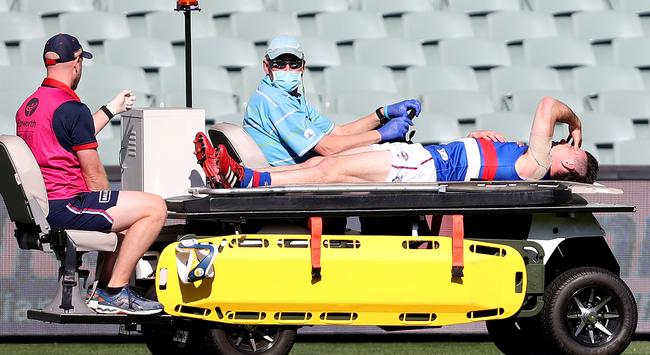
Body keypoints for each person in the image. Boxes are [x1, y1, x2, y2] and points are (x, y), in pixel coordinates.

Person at [15, 33, 166, 315]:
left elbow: (67, 134)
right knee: (154, 209)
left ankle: (100, 290)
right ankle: (114, 292)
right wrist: (109, 202)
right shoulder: (72, 108)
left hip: (42, 205)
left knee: (125, 216)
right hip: (66, 204)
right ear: (76, 63)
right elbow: (94, 173)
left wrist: (110, 109)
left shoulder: (29, 106)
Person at [195, 96, 598, 188]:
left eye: (571, 146)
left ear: (566, 166)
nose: (566, 140)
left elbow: (548, 106)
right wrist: (475, 139)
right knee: (317, 169)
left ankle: (248, 181)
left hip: (423, 167)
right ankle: (243, 175)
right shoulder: (528, 158)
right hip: (422, 160)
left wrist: (576, 121)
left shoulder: (537, 168)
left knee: (331, 167)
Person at [242, 35, 421, 166]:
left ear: (302, 67)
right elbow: (328, 148)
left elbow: (339, 133)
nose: (287, 69)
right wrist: (381, 134)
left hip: (302, 173)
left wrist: (382, 113)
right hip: (292, 181)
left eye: (294, 64)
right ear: (267, 66)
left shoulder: (289, 96)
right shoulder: (275, 101)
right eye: (280, 64)